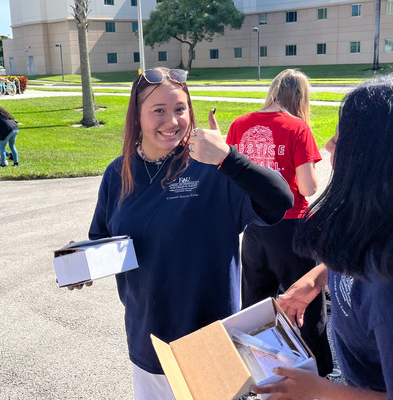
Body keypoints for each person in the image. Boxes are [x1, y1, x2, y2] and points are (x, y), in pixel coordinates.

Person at [79, 67, 293, 399]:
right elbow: (102, 238)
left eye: (180, 109)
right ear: (137, 115)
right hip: (148, 339)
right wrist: (82, 264)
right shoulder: (117, 172)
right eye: (159, 111)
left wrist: (228, 158)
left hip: (210, 342)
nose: (172, 121)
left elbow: (280, 200)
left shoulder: (211, 166)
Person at [254, 75, 393, 400]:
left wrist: (319, 390)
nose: (330, 145)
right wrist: (318, 278)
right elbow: (367, 252)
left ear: (383, 162)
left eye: (343, 138)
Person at [225, 69, 332, 376]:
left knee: (255, 307)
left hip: (254, 227)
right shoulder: (297, 127)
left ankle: (256, 369)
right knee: (306, 305)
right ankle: (320, 370)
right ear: (300, 97)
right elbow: (309, 188)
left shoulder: (239, 125)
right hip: (292, 227)